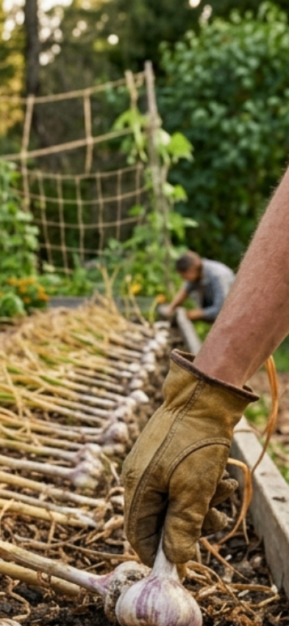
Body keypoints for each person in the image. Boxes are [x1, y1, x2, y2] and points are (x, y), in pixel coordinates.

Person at [123, 165, 289, 570]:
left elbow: (215, 307)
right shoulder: (195, 275)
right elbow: (184, 296)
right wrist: (202, 404)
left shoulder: (215, 275)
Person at [166, 250, 235, 322]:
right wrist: (171, 308)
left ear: (191, 269)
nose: (183, 279)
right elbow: (185, 291)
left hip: (230, 314)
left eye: (184, 276)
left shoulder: (217, 276)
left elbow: (220, 309)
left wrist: (190, 315)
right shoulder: (197, 274)